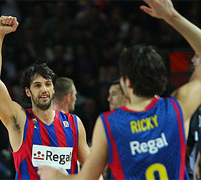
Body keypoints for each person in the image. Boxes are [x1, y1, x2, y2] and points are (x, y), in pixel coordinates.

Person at [37, 0, 201, 179]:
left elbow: (86, 178)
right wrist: (172, 16)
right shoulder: (177, 107)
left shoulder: (110, 123)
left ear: (127, 83)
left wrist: (56, 176)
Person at [0, 16, 90, 179]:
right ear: (28, 91)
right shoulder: (19, 120)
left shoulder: (74, 123)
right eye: (37, 85)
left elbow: (92, 172)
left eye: (48, 84)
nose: (44, 89)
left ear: (54, 88)